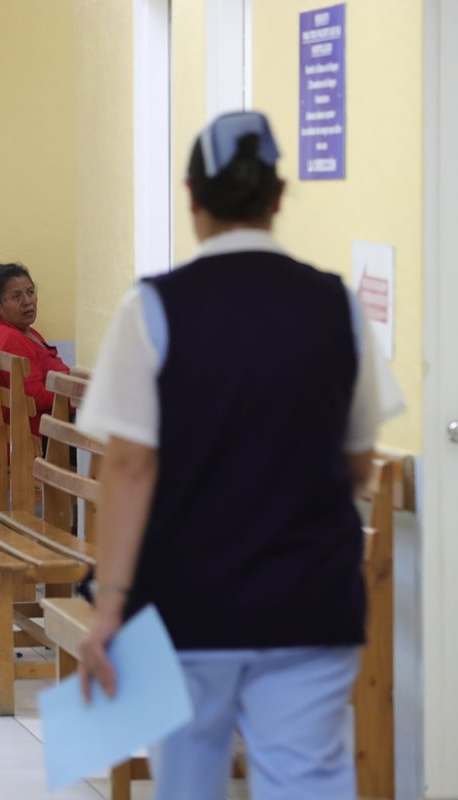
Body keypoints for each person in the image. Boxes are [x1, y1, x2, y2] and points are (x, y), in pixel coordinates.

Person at [75, 111, 403, 800]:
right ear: (278, 197)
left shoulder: (151, 311)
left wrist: (108, 608)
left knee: (189, 784)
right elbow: (356, 464)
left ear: (192, 197)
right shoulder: (338, 308)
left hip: (188, 610)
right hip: (310, 605)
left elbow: (130, 468)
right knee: (307, 783)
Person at [0, 263, 72, 438]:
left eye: (30, 292)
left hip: (49, 422)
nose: (27, 301)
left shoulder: (20, 330)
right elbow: (35, 398)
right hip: (37, 436)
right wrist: (75, 394)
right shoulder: (10, 339)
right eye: (16, 297)